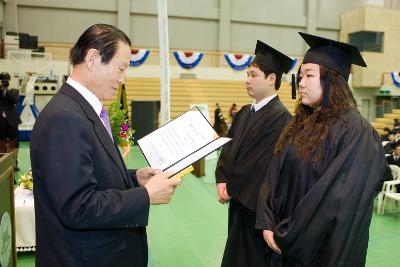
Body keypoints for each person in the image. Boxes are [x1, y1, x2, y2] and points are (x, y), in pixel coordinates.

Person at [30, 24, 182, 267]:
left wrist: (135, 179)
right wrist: (145, 196)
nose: (122, 79)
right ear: (93, 58)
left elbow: (92, 175)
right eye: (121, 68)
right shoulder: (65, 118)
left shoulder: (80, 110)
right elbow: (77, 207)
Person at [256, 32, 388, 267]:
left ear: (332, 80)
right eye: (300, 75)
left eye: (309, 75)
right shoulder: (299, 124)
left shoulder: (357, 133)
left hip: (318, 253)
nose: (301, 83)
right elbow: (272, 175)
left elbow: (332, 201)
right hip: (281, 244)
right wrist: (267, 222)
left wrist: (287, 234)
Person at [215, 40, 293, 267]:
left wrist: (232, 187)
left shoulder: (281, 119)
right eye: (247, 74)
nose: (247, 80)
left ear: (271, 79)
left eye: (253, 74)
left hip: (256, 210)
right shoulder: (244, 113)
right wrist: (221, 178)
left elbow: (258, 163)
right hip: (238, 202)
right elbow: (228, 148)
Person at [0, 72, 21, 170]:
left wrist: (6, 89)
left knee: (15, 142)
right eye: (3, 79)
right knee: (1, 142)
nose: (5, 81)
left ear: (9, 80)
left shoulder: (13, 90)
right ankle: (2, 163)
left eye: (7, 80)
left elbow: (15, 100)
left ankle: (14, 163)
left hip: (12, 120)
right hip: (0, 122)